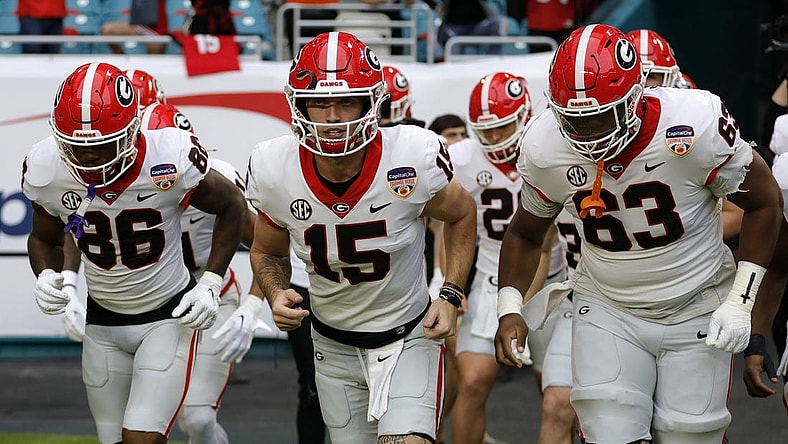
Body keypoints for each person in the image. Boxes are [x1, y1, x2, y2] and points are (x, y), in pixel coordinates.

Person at [494, 24, 783, 444]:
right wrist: (508, 306)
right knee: (608, 432)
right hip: (607, 306)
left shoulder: (692, 124)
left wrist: (741, 303)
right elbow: (525, 232)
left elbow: (764, 203)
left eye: (599, 116)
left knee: (690, 436)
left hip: (695, 303)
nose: (588, 132)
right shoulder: (545, 144)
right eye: (575, 119)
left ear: (635, 97)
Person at [245, 31, 477, 443]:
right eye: (320, 102)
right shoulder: (273, 167)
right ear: (299, 105)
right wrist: (275, 289)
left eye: (347, 100)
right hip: (332, 346)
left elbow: (462, 214)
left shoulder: (411, 156)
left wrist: (451, 293)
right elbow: (266, 251)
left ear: (372, 102)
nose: (333, 116)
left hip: (409, 336)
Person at [23, 62, 247, 444]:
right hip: (102, 322)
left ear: (131, 132)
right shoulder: (47, 167)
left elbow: (233, 206)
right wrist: (48, 275)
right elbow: (45, 237)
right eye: (77, 145)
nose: (89, 157)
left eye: (101, 145)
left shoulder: (169, 155)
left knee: (143, 437)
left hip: (166, 316)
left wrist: (211, 281)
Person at [449, 71, 572, 444]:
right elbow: (446, 224)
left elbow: (546, 241)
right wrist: (447, 282)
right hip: (490, 279)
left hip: (551, 284)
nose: (494, 139)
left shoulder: (547, 150)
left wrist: (520, 303)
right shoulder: (462, 158)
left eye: (502, 128)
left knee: (557, 398)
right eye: (486, 131)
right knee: (471, 381)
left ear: (524, 117)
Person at [287, 250, 328, 444]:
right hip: (302, 282)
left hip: (359, 287)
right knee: (312, 384)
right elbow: (264, 248)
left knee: (363, 382)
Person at [437, 0, 507, 56]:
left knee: (499, 23)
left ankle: (492, 60)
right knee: (455, 54)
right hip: (454, 30)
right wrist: (435, 6)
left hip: (477, 27)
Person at [101, 0, 168, 54]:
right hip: (138, 25)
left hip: (156, 29)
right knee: (107, 29)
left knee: (155, 47)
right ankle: (120, 57)